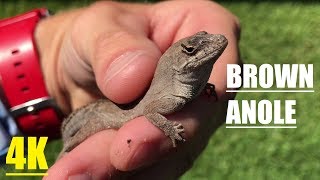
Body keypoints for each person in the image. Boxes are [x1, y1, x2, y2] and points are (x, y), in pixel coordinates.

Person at [3, 0, 241, 179]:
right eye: (191, 49)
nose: (213, 41)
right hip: (100, 116)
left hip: (82, 107)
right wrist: (168, 127)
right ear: (178, 64)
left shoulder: (185, 85)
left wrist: (54, 68)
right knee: (69, 151)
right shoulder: (172, 100)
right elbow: (151, 112)